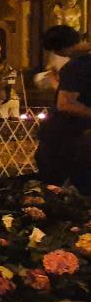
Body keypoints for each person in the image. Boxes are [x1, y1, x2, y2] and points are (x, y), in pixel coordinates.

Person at [35, 26, 91, 194]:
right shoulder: (78, 65)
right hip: (72, 137)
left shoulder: (77, 66)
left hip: (67, 139)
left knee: (59, 191)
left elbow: (65, 103)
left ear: (59, 50)